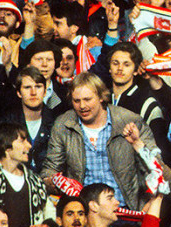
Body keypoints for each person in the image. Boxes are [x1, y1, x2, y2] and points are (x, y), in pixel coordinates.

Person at [42, 71, 158, 209]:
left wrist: (151, 201)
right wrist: (51, 182)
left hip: (125, 208)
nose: (82, 106)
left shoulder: (129, 120)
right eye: (76, 101)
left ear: (101, 97)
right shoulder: (64, 124)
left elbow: (155, 166)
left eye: (87, 99)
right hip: (85, 212)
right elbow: (51, 168)